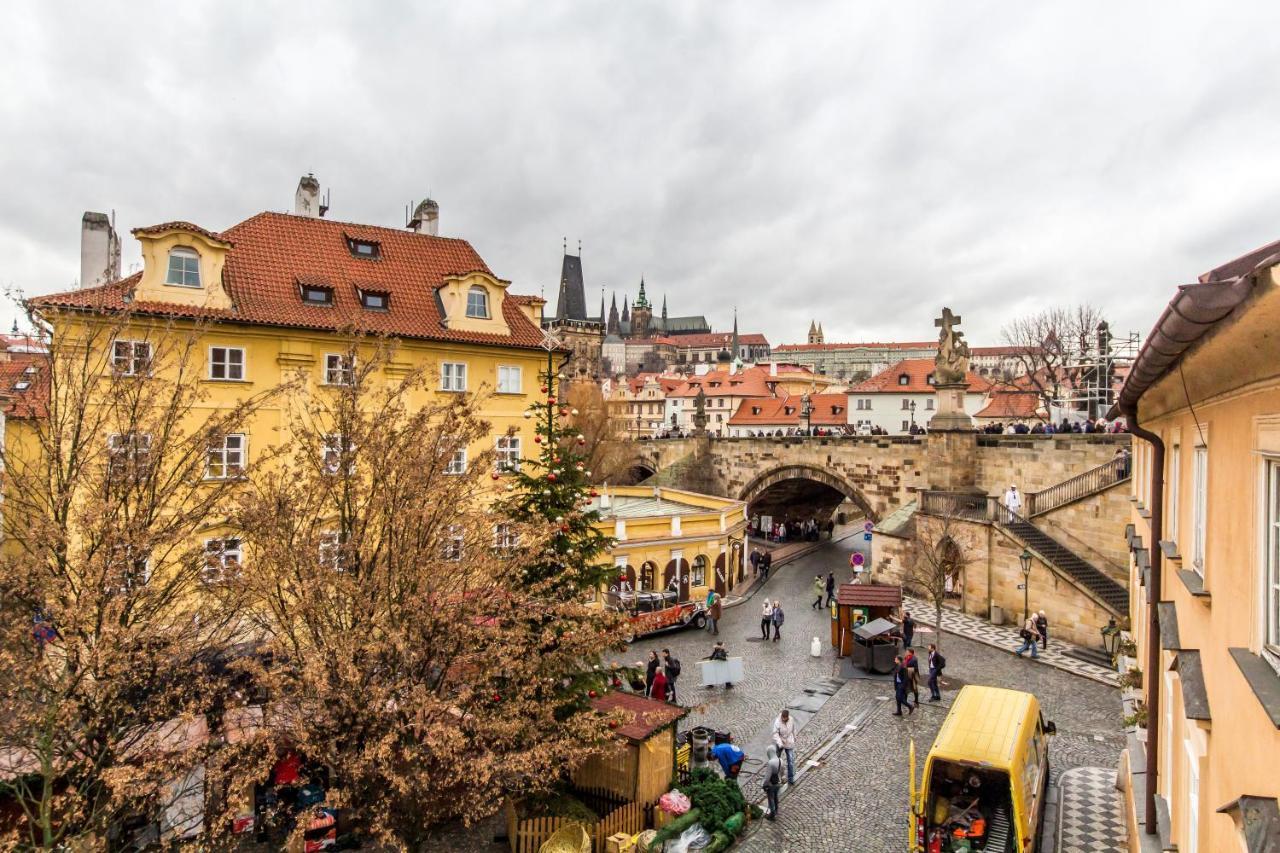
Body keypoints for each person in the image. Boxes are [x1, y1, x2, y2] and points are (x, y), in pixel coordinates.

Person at [772, 710, 797, 785]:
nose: (784, 719)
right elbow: (775, 734)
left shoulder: (791, 719)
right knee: (776, 761)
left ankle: (791, 778)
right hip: (781, 741)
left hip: (789, 742)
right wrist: (780, 743)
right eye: (783, 718)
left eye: (785, 718)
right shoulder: (777, 722)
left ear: (787, 717)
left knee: (791, 761)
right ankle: (775, 778)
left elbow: (793, 729)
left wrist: (795, 737)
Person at [762, 745, 782, 820]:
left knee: (771, 799)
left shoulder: (771, 763)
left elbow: (767, 778)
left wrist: (764, 785)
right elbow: (782, 772)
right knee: (776, 797)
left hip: (771, 784)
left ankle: (772, 814)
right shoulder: (780, 760)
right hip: (778, 782)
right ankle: (776, 810)